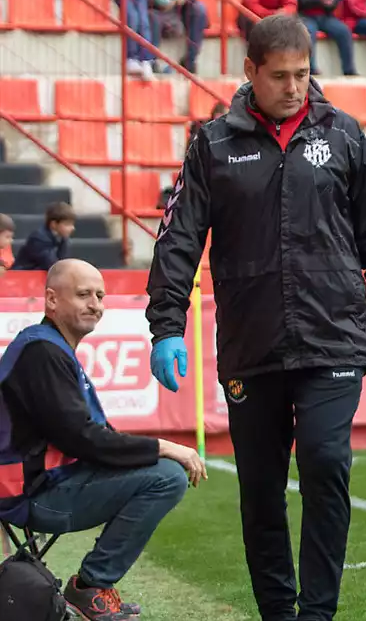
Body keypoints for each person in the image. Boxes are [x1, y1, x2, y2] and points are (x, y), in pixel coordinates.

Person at [144, 14, 366, 621]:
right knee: (261, 489)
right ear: (250, 72)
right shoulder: (212, 143)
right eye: (280, 77)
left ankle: (317, 612)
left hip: (334, 338)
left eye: (303, 75)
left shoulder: (344, 135)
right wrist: (166, 325)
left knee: (325, 460)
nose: (294, 87)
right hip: (252, 342)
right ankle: (277, 611)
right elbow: (178, 239)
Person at [0, 259, 205, 621]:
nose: (95, 304)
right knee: (168, 476)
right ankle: (90, 586)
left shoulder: (49, 347)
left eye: (100, 295)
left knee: (160, 468)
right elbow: (84, 440)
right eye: (83, 294)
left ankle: (92, 585)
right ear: (51, 300)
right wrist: (166, 446)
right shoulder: (42, 352)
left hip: (42, 485)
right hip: (29, 496)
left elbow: (94, 438)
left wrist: (154, 451)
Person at [11, 201, 74, 272]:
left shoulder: (63, 238)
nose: (72, 228)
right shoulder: (39, 238)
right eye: (67, 224)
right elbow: (51, 265)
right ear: (54, 224)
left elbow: (63, 261)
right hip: (23, 276)